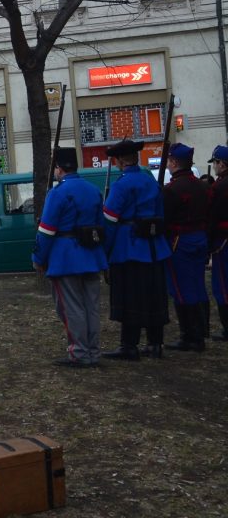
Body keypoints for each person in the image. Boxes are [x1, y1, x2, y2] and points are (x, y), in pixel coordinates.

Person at [32, 147, 108, 368]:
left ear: (58, 168)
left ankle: (79, 352)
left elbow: (46, 231)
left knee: (71, 307)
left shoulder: (57, 193)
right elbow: (102, 226)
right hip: (92, 255)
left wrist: (38, 257)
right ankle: (93, 350)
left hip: (65, 257)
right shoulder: (93, 190)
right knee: (91, 306)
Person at [101, 139, 171, 361]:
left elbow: (110, 221)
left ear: (120, 161)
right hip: (155, 247)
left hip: (129, 248)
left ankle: (129, 346)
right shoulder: (150, 181)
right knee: (154, 296)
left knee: (130, 297)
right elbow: (161, 215)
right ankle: (155, 343)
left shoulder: (121, 185)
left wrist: (105, 251)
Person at [162, 143, 211, 352]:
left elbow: (164, 219)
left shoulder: (172, 189)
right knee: (198, 285)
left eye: (169, 160)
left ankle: (190, 336)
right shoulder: (203, 186)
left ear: (174, 162)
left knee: (181, 288)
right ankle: (201, 331)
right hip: (200, 238)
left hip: (180, 241)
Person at [208, 145, 228, 341]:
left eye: (215, 162)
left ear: (222, 164)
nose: (214, 166)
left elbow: (212, 217)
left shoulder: (219, 187)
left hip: (223, 240)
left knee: (222, 285)